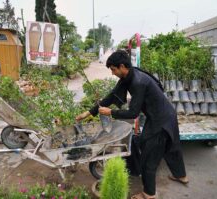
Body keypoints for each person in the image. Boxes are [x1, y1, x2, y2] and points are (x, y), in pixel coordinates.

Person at [76, 50, 188, 199]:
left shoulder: (138, 82)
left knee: (149, 157)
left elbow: (133, 113)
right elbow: (113, 95)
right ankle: (181, 176)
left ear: (122, 66)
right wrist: (89, 113)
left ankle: (149, 194)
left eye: (113, 70)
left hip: (160, 120)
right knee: (171, 147)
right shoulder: (130, 75)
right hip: (165, 114)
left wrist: (110, 112)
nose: (112, 73)